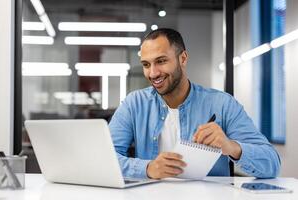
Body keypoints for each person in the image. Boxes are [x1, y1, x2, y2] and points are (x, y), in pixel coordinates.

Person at [109, 28, 280, 179]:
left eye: (161, 61)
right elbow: (106, 158)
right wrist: (147, 168)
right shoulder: (134, 104)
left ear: (183, 58)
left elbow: (271, 164)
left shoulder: (222, 104)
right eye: (146, 64)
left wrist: (231, 147)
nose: (153, 73)